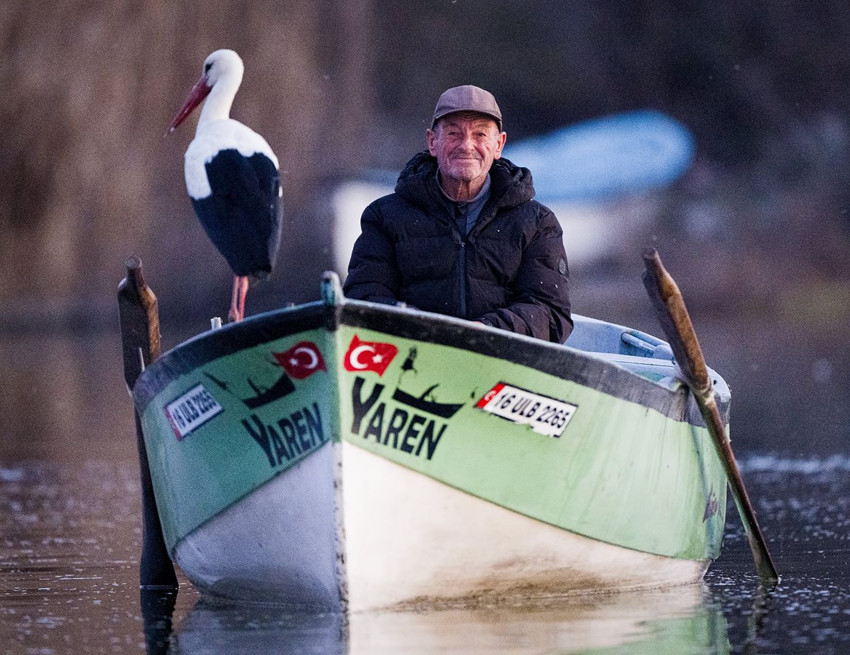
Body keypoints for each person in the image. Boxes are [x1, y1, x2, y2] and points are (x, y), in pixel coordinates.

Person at [344, 85, 572, 343]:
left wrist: (488, 330)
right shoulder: (384, 217)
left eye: (480, 134)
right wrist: (420, 327)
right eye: (453, 133)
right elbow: (363, 299)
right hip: (409, 358)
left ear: (499, 145)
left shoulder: (537, 223)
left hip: (501, 360)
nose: (466, 146)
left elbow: (550, 313)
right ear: (432, 142)